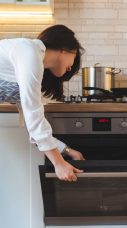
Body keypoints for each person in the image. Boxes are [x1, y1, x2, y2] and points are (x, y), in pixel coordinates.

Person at [0, 24, 85, 182]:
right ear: (64, 49)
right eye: (75, 57)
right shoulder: (29, 52)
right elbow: (34, 115)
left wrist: (65, 150)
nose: (71, 66)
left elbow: (31, 121)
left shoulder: (33, 63)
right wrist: (58, 163)